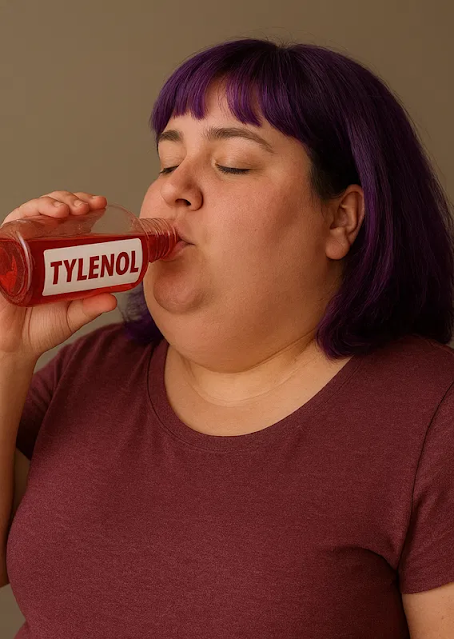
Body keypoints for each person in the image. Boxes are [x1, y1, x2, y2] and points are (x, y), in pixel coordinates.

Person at [1, 38, 454, 639]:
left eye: (232, 164)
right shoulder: (90, 367)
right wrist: (7, 351)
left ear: (339, 219)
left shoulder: (434, 416)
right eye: (168, 163)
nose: (175, 189)